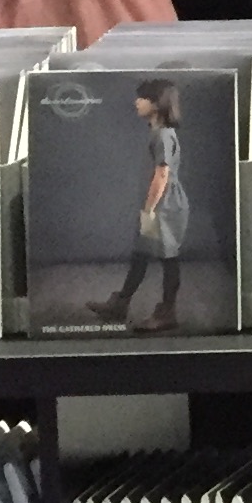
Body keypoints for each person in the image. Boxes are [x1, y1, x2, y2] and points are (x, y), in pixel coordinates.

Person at [89, 81, 188, 334]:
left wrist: (150, 209)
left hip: (165, 206)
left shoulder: (163, 135)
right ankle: (120, 303)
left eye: (142, 98)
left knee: (169, 258)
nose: (137, 102)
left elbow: (162, 175)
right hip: (159, 204)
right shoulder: (157, 132)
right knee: (141, 253)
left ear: (156, 103)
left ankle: (167, 312)